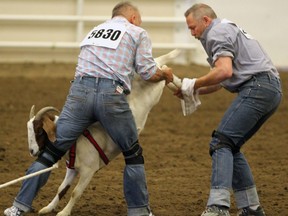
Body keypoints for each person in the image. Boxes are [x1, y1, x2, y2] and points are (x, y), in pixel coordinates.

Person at [4, 2, 173, 216]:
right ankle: (139, 211)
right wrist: (165, 74)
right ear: (132, 17)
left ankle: (18, 207)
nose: (140, 23)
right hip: (111, 95)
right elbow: (148, 72)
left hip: (79, 94)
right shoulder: (137, 32)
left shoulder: (94, 30)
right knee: (132, 153)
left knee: (50, 154)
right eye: (139, 19)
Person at [178, 3, 282, 216]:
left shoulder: (216, 33)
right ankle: (251, 208)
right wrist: (191, 89)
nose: (192, 33)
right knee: (230, 146)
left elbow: (224, 72)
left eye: (192, 27)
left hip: (257, 88)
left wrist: (193, 84)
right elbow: (220, 80)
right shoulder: (224, 29)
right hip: (270, 89)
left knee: (220, 142)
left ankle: (218, 207)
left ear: (205, 20)